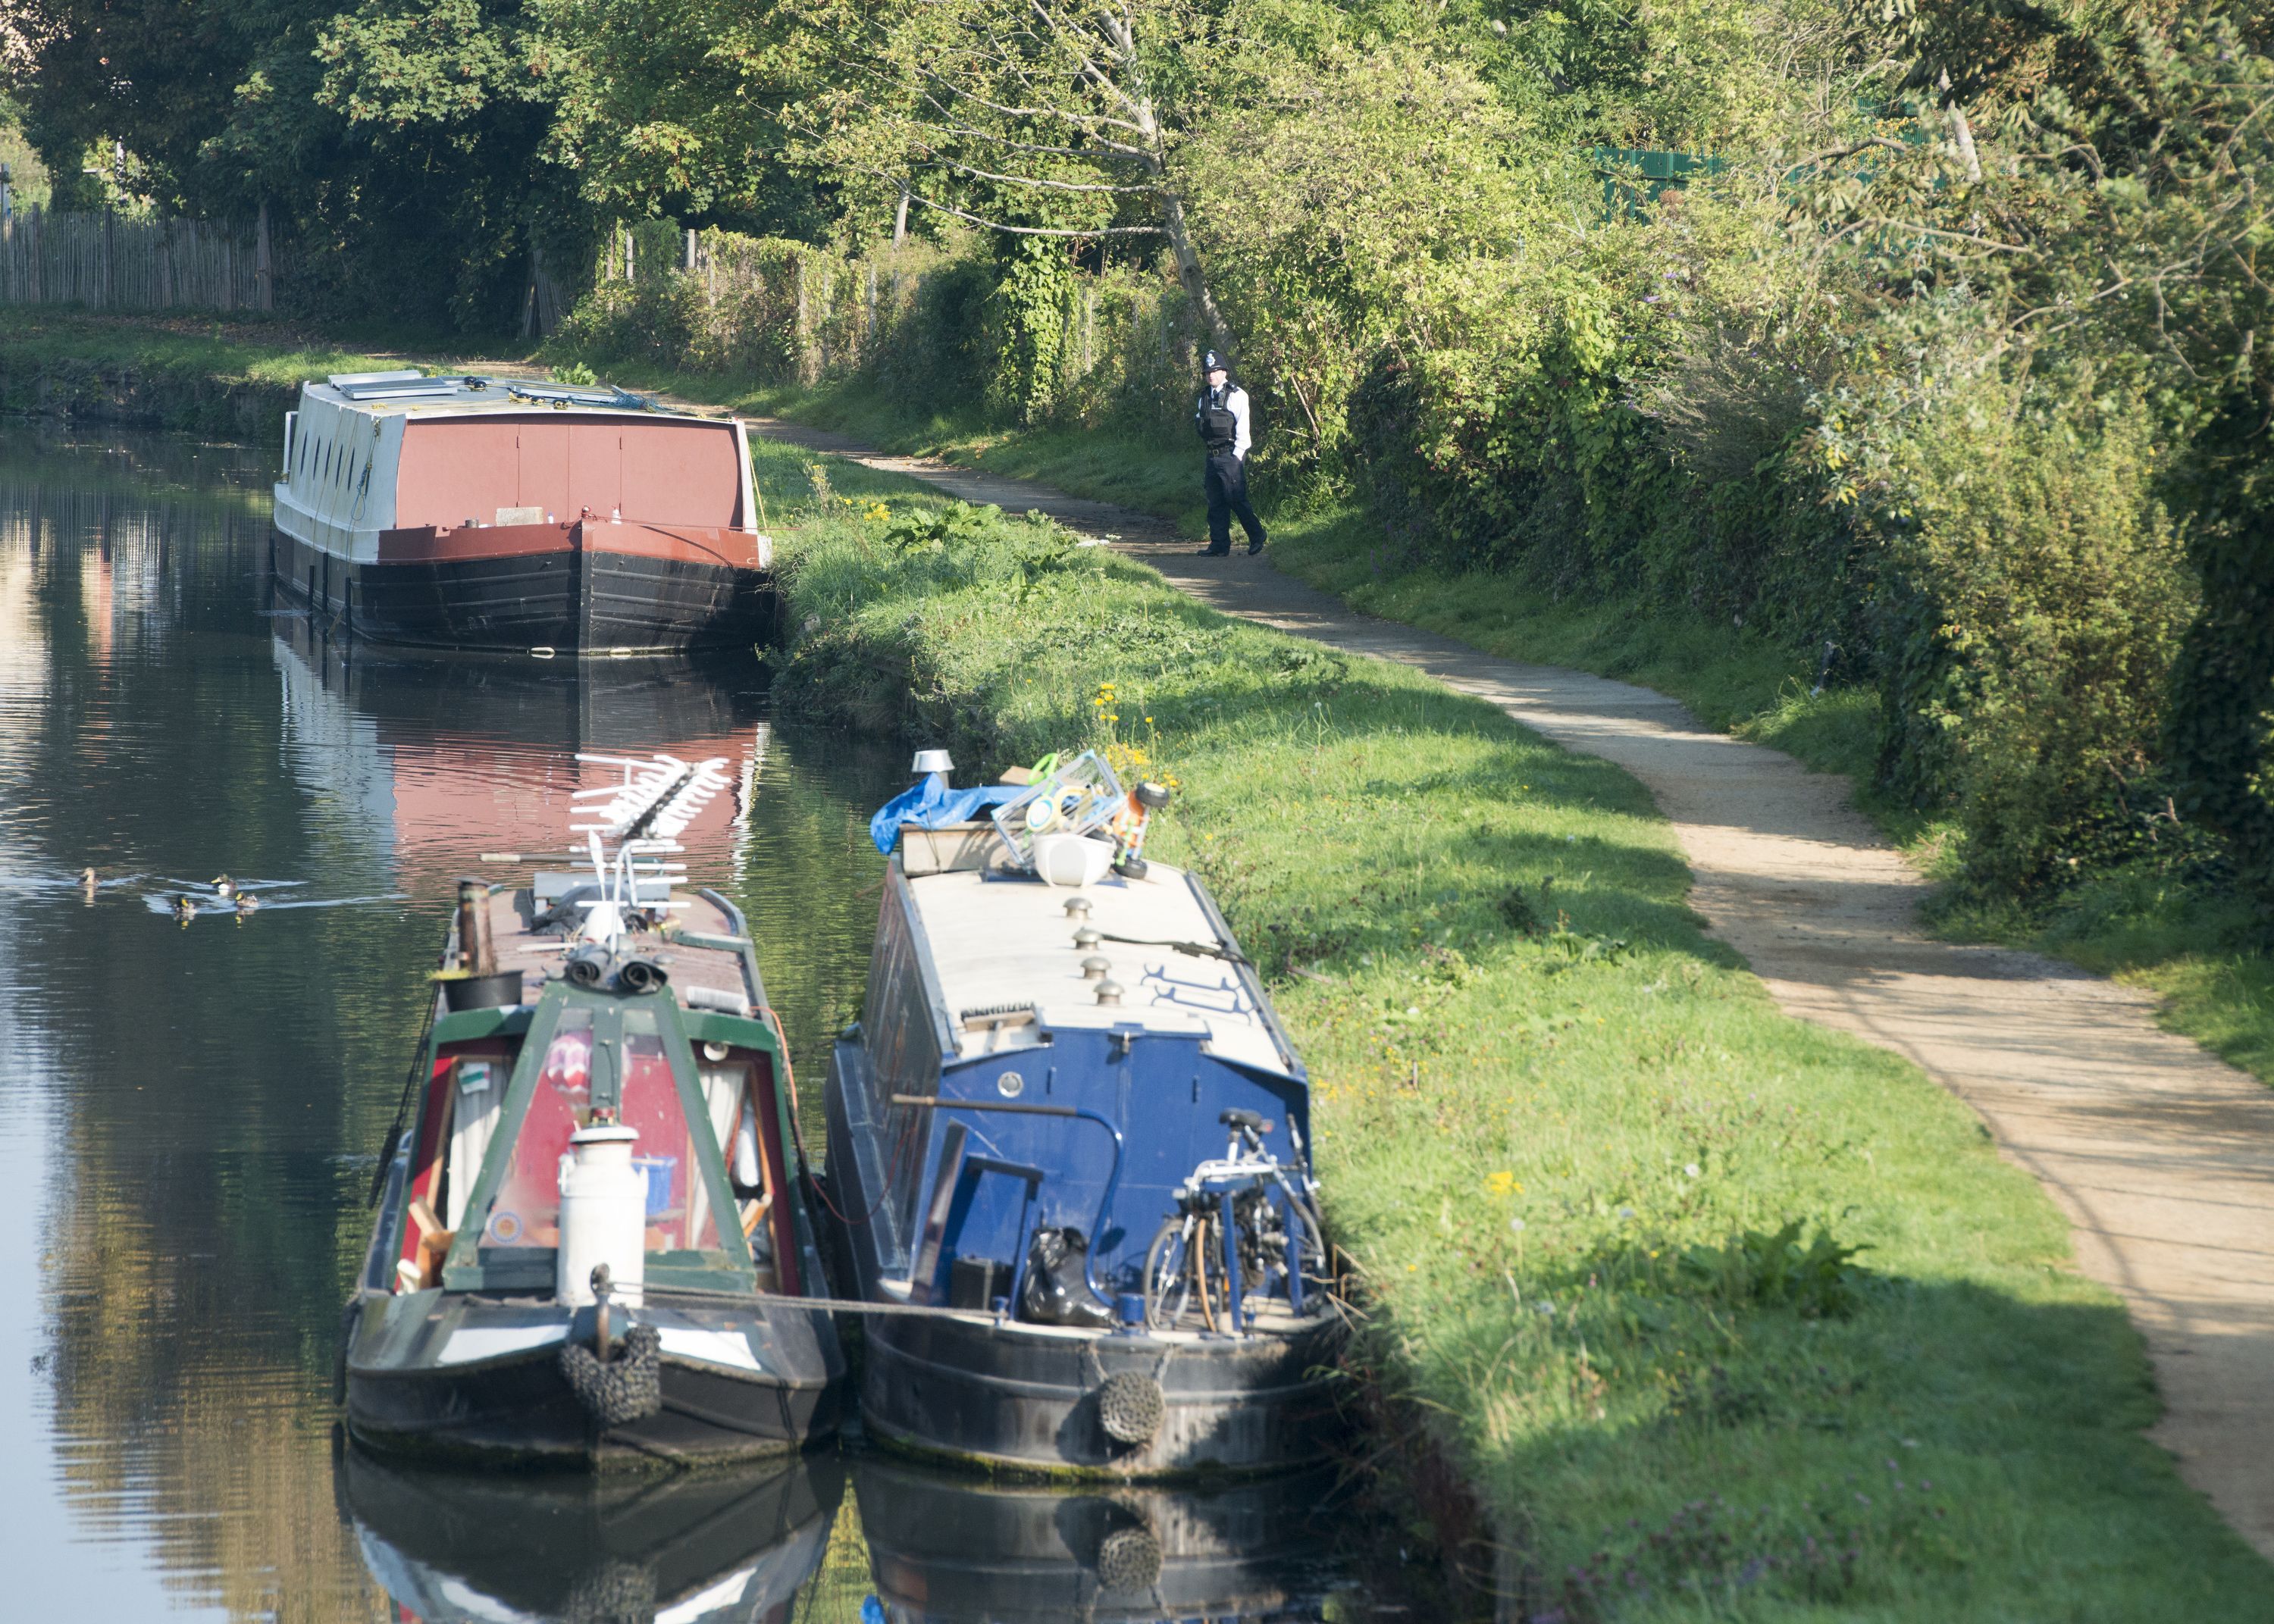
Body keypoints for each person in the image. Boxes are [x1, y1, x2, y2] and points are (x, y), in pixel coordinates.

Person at [1194, 351, 1265, 556]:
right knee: (1215, 501)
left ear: (1224, 371)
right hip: (1212, 456)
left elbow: (1243, 430)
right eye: (1207, 372)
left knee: (1236, 499)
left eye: (1214, 371)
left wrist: (1237, 458)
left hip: (1230, 455)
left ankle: (1257, 535)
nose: (1210, 375)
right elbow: (1201, 423)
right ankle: (1219, 545)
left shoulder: (1237, 395)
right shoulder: (1204, 396)